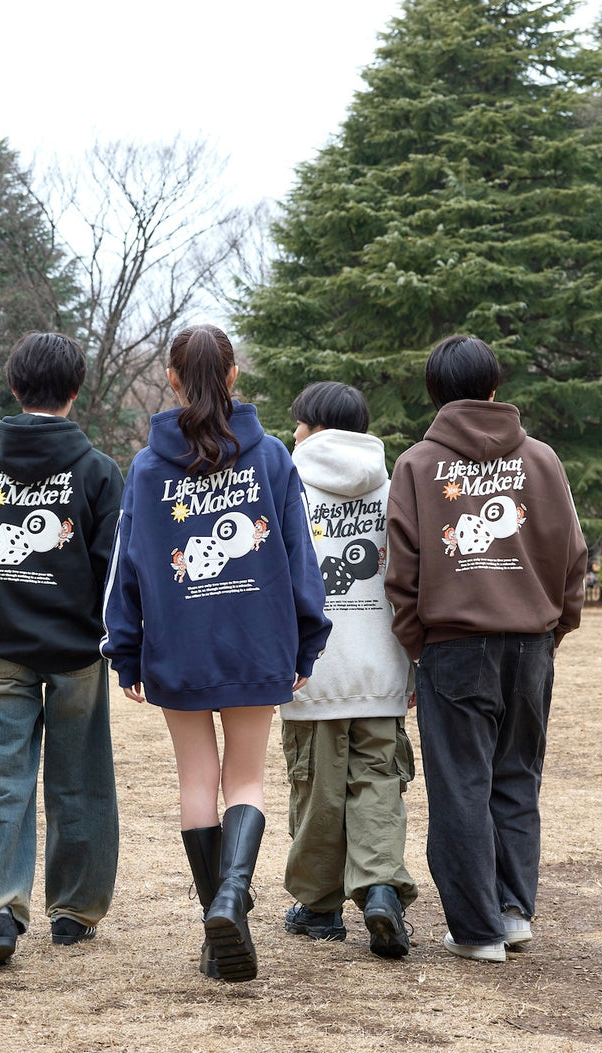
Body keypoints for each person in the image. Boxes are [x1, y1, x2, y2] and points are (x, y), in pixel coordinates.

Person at [101, 325, 331, 982]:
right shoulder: (273, 457)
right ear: (233, 378)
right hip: (259, 639)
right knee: (248, 781)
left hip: (179, 642)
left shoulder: (147, 469)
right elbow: (297, 556)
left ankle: (218, 920)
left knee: (196, 782)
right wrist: (307, 638)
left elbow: (133, 568)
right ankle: (230, 902)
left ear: (172, 380)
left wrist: (126, 650)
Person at [385, 335, 587, 963]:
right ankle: (513, 911)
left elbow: (403, 571)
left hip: (453, 644)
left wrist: (421, 641)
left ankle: (477, 932)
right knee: (516, 775)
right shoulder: (542, 460)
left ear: (435, 394)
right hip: (530, 645)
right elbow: (571, 556)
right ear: (495, 387)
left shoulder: (418, 465)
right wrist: (552, 629)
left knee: (461, 785)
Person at [0, 332, 123, 966]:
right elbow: (111, 569)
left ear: (15, 387)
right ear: (74, 392)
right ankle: (73, 912)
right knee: (81, 778)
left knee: (2, 778)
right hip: (78, 652)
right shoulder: (97, 471)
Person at [279, 382, 417, 958]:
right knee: (377, 782)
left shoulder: (286, 487)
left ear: (312, 428)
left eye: (297, 425)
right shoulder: (393, 488)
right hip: (381, 665)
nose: (292, 435)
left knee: (317, 789)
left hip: (313, 669)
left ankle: (318, 907)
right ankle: (381, 887)